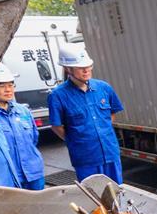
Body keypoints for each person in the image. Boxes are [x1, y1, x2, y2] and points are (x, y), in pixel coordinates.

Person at [49, 43, 125, 183]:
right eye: (81, 67)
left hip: (110, 152)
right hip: (85, 158)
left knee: (116, 194)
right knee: (92, 199)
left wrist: (102, 131)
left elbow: (111, 114)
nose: (86, 70)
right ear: (68, 69)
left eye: (88, 66)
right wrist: (78, 141)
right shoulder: (58, 95)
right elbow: (57, 126)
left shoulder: (103, 88)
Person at [0, 63, 45, 190]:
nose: (8, 89)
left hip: (34, 173)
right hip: (6, 177)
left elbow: (33, 138)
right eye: (1, 85)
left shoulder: (23, 111)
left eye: (11, 85)